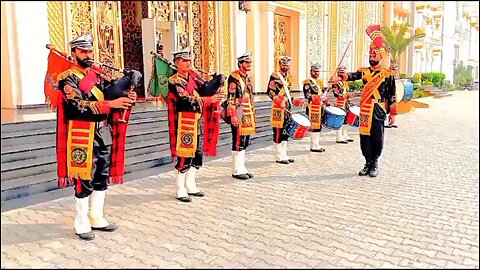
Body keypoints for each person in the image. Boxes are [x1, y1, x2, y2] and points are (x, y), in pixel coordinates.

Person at [56, 34, 138, 240]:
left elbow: (110, 95)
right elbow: (78, 105)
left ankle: (97, 217)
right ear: (74, 52)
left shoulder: (98, 76)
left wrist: (127, 96)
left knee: (101, 175)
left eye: (90, 51)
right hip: (82, 134)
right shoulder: (67, 78)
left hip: (103, 131)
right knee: (84, 178)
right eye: (83, 51)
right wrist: (111, 104)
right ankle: (81, 222)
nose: (88, 55)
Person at [331, 25, 396, 177]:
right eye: (370, 54)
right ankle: (367, 162)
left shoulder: (387, 75)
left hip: (378, 109)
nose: (371, 56)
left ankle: (375, 163)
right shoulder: (364, 71)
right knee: (364, 137)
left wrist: (393, 113)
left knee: (377, 137)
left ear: (381, 56)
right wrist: (339, 77)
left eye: (374, 54)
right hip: (365, 108)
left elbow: (392, 95)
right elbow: (352, 75)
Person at [167, 49, 224, 202]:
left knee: (197, 155)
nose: (188, 63)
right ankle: (180, 189)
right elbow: (185, 100)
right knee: (185, 155)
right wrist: (208, 100)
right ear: (177, 62)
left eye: (189, 60)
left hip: (197, 121)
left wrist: (216, 81)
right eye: (184, 60)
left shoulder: (193, 78)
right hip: (184, 122)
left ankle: (191, 185)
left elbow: (204, 88)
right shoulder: (174, 81)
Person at [267, 56, 305, 164]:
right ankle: (279, 155)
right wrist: (278, 100)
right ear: (280, 64)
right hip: (278, 107)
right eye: (284, 65)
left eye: (287, 65)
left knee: (286, 130)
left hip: (287, 107)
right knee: (278, 131)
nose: (285, 67)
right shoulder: (275, 76)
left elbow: (289, 93)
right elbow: (269, 91)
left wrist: (295, 100)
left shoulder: (289, 77)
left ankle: (285, 154)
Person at [226, 52, 256, 179]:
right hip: (238, 110)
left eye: (250, 62)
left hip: (247, 111)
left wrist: (253, 112)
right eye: (246, 62)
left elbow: (250, 96)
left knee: (245, 140)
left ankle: (242, 167)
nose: (249, 64)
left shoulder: (247, 78)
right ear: (240, 63)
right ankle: (236, 170)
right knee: (238, 139)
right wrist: (233, 114)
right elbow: (231, 97)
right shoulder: (234, 78)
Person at [302, 63, 326, 152]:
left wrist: (324, 99)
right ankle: (313, 145)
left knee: (318, 126)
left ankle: (317, 144)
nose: (316, 73)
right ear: (311, 71)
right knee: (314, 126)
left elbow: (322, 93)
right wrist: (318, 97)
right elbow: (307, 95)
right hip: (312, 107)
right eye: (315, 71)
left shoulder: (320, 82)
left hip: (320, 106)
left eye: (318, 71)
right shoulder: (307, 82)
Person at [332, 65, 355, 144]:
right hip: (339, 103)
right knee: (340, 120)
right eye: (340, 72)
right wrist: (346, 96)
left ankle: (345, 134)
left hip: (346, 103)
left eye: (343, 72)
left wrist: (349, 98)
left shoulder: (345, 82)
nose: (342, 74)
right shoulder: (336, 83)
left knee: (346, 120)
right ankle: (339, 137)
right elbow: (336, 94)